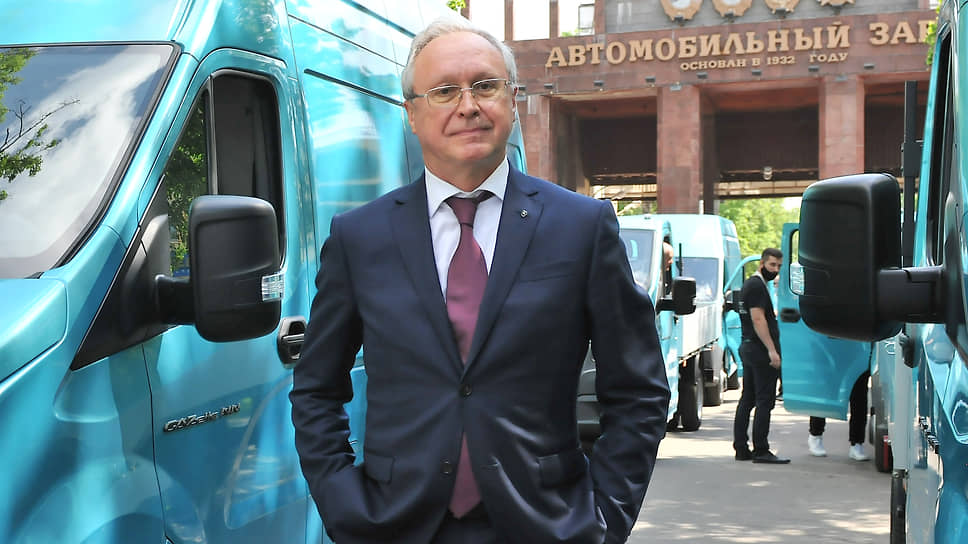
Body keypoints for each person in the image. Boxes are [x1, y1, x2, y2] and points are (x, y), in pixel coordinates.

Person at [289, 14, 671, 544]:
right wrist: (344, 504)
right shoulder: (360, 237)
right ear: (412, 114)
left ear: (512, 101)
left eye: (485, 86)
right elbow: (315, 389)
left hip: (546, 525)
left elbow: (638, 390)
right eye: (444, 91)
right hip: (394, 525)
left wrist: (605, 519)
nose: (467, 105)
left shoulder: (582, 227)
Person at [733, 248, 790, 464]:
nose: (775, 270)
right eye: (772, 265)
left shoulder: (751, 285)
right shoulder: (757, 286)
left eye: (779, 266)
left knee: (748, 398)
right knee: (764, 400)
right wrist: (772, 350)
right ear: (762, 263)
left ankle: (741, 447)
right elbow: (758, 319)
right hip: (759, 351)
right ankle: (761, 449)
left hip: (749, 347)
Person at [807, 370, 871, 460]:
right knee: (823, 390)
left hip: (859, 362)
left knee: (859, 395)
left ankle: (857, 443)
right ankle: (815, 435)